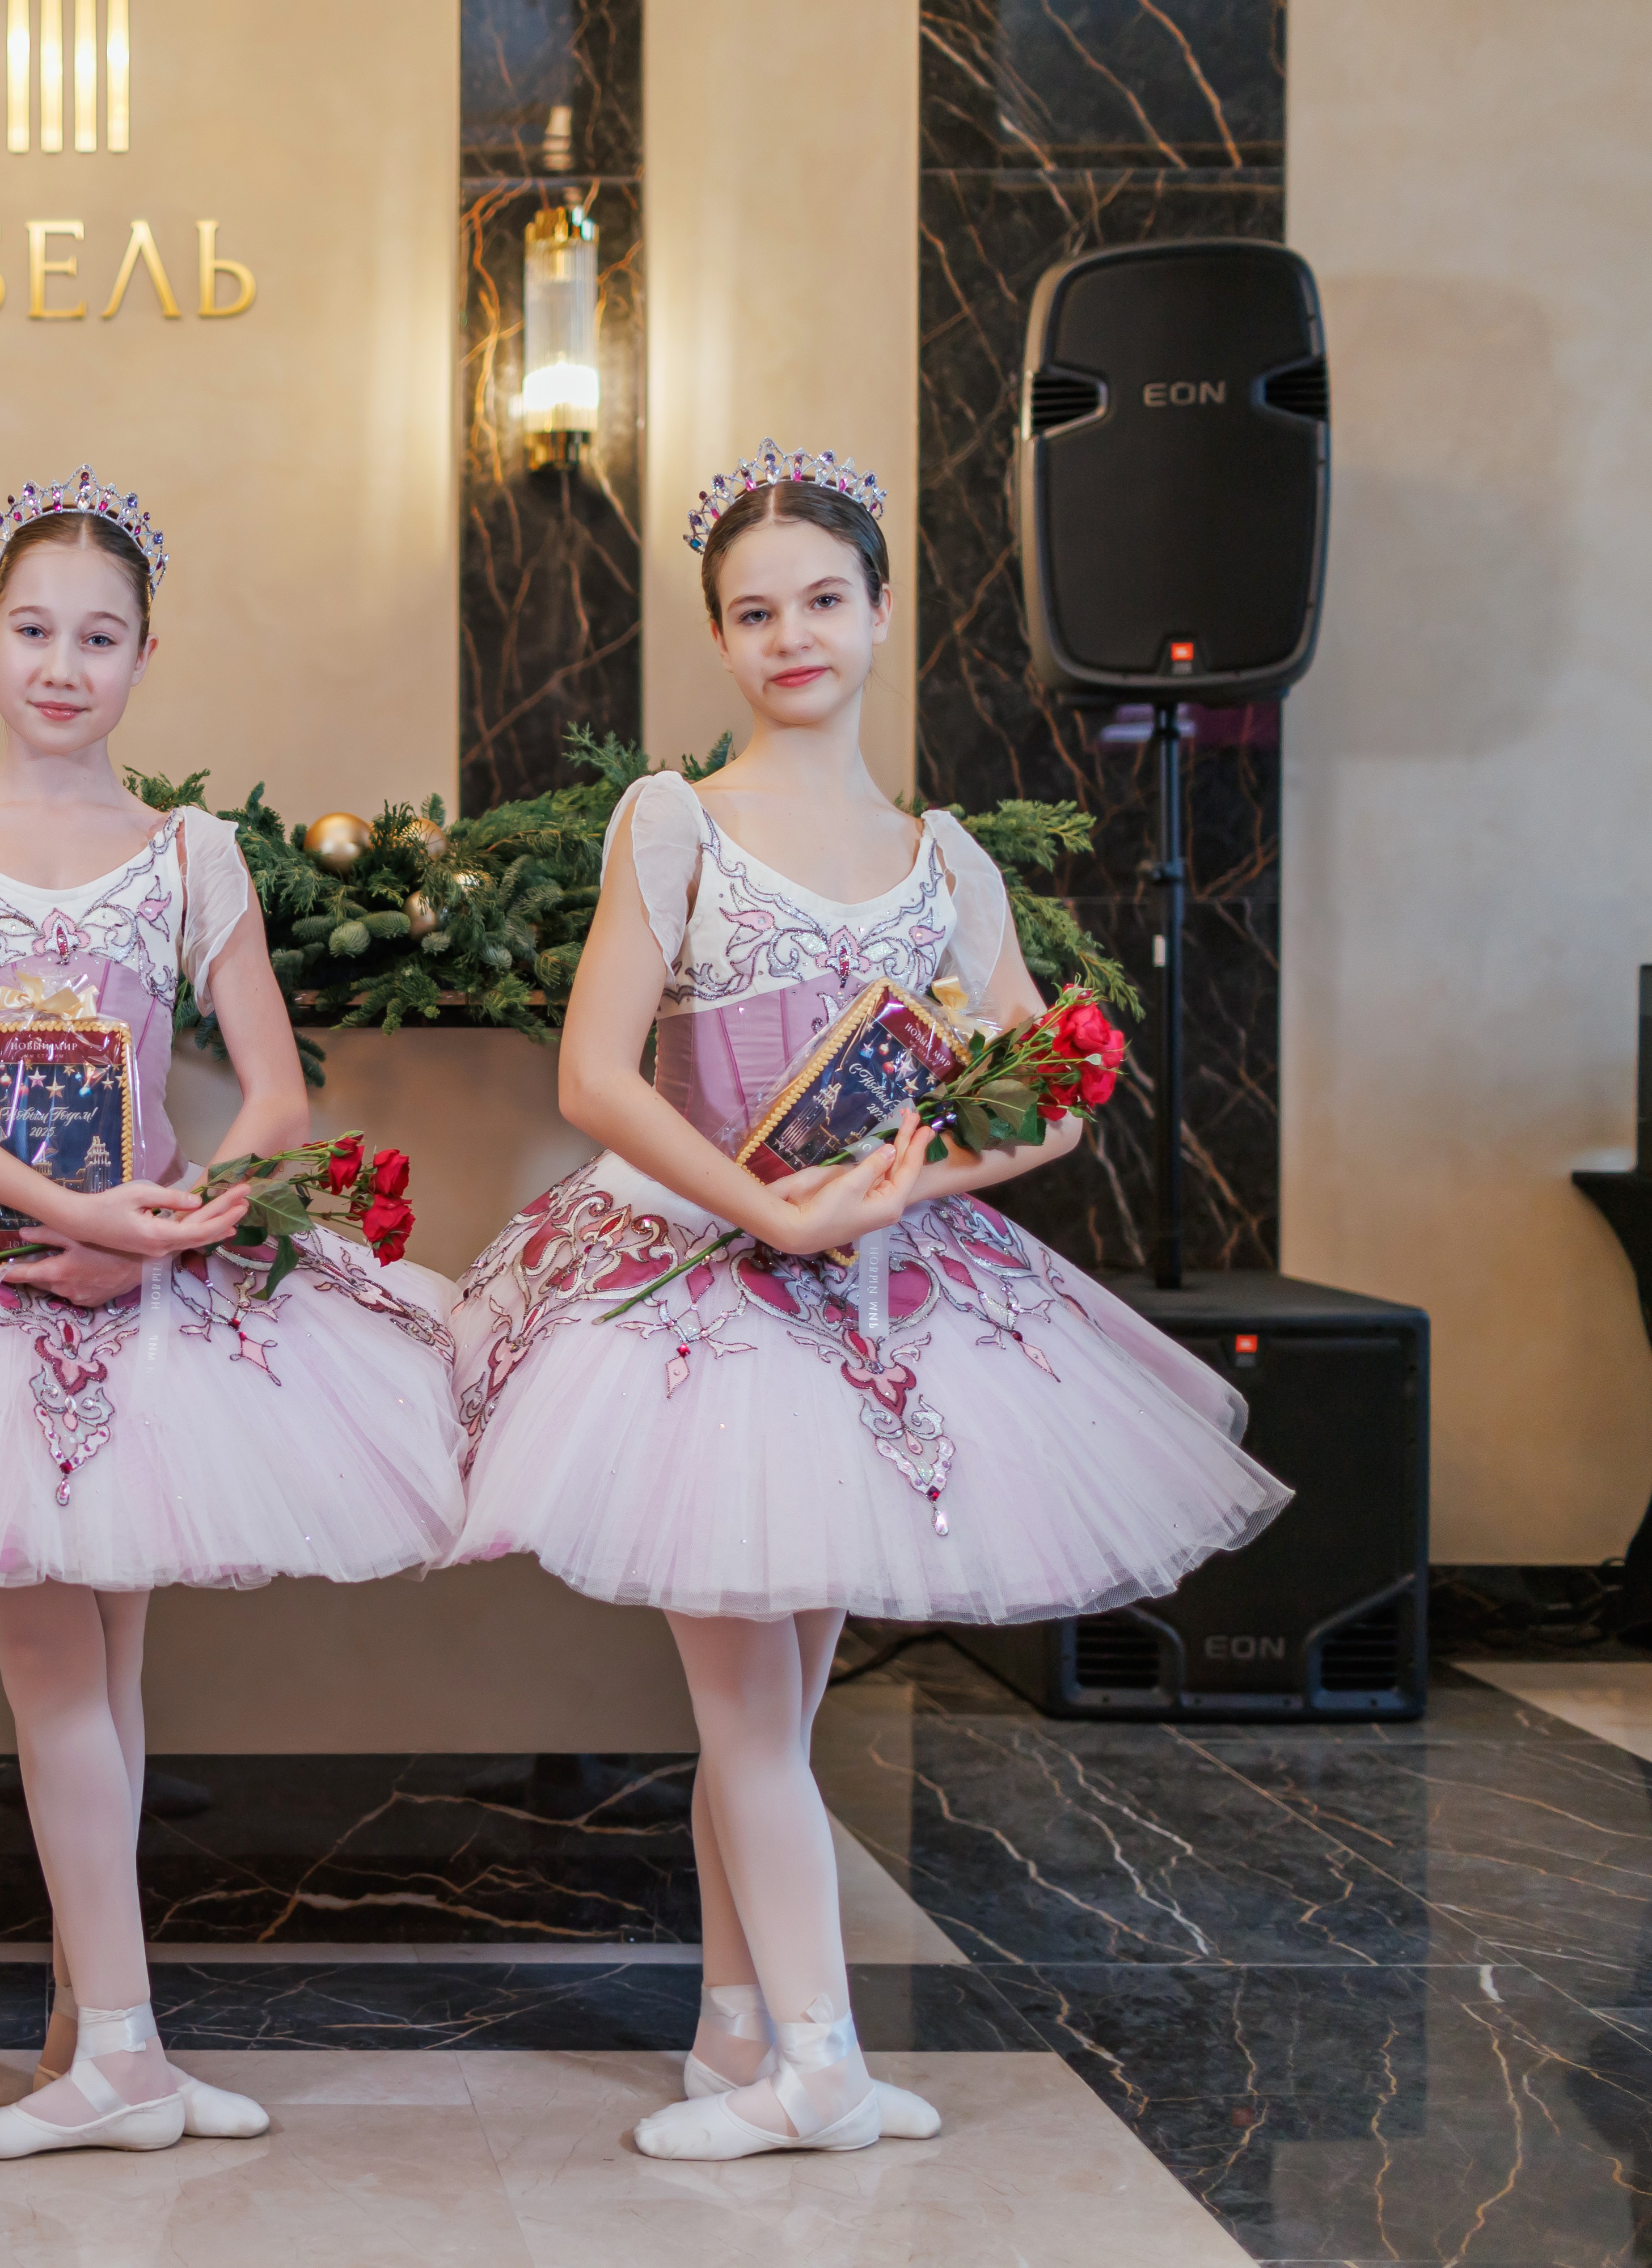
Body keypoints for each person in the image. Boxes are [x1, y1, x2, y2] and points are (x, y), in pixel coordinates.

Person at [445, 441, 1289, 2160]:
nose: (794, 637)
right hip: (702, 1288)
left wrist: (905, 1187)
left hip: (885, 1299)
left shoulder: (943, 859)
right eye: (755, 612)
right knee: (750, 1715)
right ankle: (822, 2073)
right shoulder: (677, 821)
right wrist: (772, 1207)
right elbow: (596, 1075)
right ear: (719, 637)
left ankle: (735, 2032)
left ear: (883, 611)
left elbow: (1055, 1092)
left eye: (824, 600)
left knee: (773, 1713)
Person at [0, 467, 468, 2160]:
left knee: (107, 1671)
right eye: (35, 631)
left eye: (100, 637)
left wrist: (168, 1231)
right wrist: (69, 1217)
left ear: (146, 655)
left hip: (151, 1278)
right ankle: (114, 2050)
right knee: (58, 1664)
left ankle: (107, 2048)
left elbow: (273, 1093)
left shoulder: (193, 854)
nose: (63, 665)